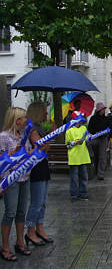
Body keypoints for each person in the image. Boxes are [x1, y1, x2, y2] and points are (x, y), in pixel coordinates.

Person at [0, 107, 31, 261]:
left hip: (24, 177)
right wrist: (14, 153)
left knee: (21, 212)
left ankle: (20, 242)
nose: (26, 120)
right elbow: (1, 159)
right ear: (17, 119)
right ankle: (5, 247)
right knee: (10, 212)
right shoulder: (4, 137)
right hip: (10, 178)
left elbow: (26, 154)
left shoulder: (23, 135)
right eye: (24, 117)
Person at [25, 102, 53, 247]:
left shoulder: (40, 128)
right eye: (44, 112)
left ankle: (39, 228)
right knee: (36, 202)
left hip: (43, 166)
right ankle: (30, 230)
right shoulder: (32, 129)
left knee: (42, 202)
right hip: (36, 168)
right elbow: (40, 148)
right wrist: (50, 138)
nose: (46, 115)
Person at [65, 114, 90, 201]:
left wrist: (88, 140)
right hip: (74, 158)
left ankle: (83, 193)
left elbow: (87, 140)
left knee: (84, 176)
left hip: (83, 156)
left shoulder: (84, 128)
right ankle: (74, 195)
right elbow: (67, 145)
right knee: (74, 178)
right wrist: (75, 142)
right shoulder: (69, 131)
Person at [88, 103, 112, 180]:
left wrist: (110, 137)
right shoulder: (93, 118)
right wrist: (95, 132)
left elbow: (110, 128)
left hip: (103, 139)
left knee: (102, 156)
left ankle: (100, 173)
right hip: (95, 138)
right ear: (99, 110)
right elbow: (89, 128)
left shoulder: (106, 119)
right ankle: (96, 170)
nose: (104, 111)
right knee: (96, 155)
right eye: (102, 109)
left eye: (104, 109)